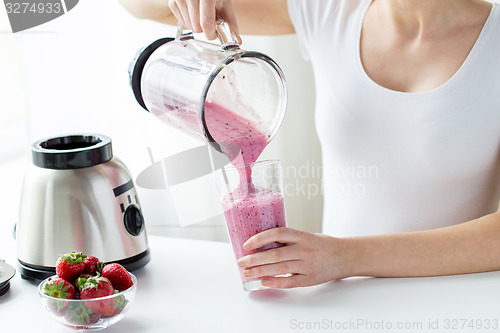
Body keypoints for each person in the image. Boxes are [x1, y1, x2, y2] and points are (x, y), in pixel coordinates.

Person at [120, 0, 500, 288]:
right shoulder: (330, 9)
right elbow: (137, 7)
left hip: (453, 297)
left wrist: (346, 257)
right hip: (336, 299)